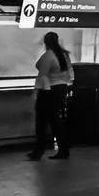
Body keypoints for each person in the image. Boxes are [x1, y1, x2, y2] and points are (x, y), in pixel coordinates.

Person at [28, 32, 74, 160]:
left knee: (41, 121)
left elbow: (42, 74)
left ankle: (38, 151)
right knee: (55, 120)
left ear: (46, 42)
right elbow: (69, 73)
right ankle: (64, 149)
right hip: (61, 88)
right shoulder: (64, 55)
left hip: (49, 89)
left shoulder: (48, 55)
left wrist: (36, 90)